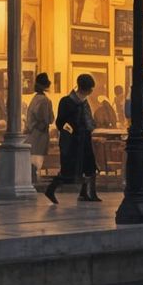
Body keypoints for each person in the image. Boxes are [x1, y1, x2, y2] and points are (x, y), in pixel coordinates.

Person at [45, 73, 98, 204]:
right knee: (69, 170)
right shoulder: (67, 101)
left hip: (84, 138)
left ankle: (86, 193)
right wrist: (72, 130)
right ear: (86, 88)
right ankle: (51, 190)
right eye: (90, 88)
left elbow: (88, 120)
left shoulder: (85, 102)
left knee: (89, 167)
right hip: (72, 141)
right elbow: (60, 123)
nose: (91, 91)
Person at [25, 73, 54, 177]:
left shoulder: (35, 99)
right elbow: (48, 119)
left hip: (32, 134)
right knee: (37, 161)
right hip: (40, 135)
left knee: (32, 161)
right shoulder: (44, 100)